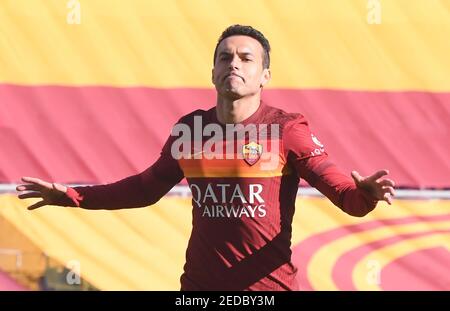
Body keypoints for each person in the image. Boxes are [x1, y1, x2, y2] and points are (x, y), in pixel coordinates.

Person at [16, 25, 395, 291]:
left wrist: (366, 194)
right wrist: (71, 195)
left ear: (264, 75)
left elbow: (345, 195)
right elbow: (144, 189)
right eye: (225, 57)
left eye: (246, 58)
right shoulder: (190, 130)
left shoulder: (286, 128)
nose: (234, 64)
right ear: (213, 72)